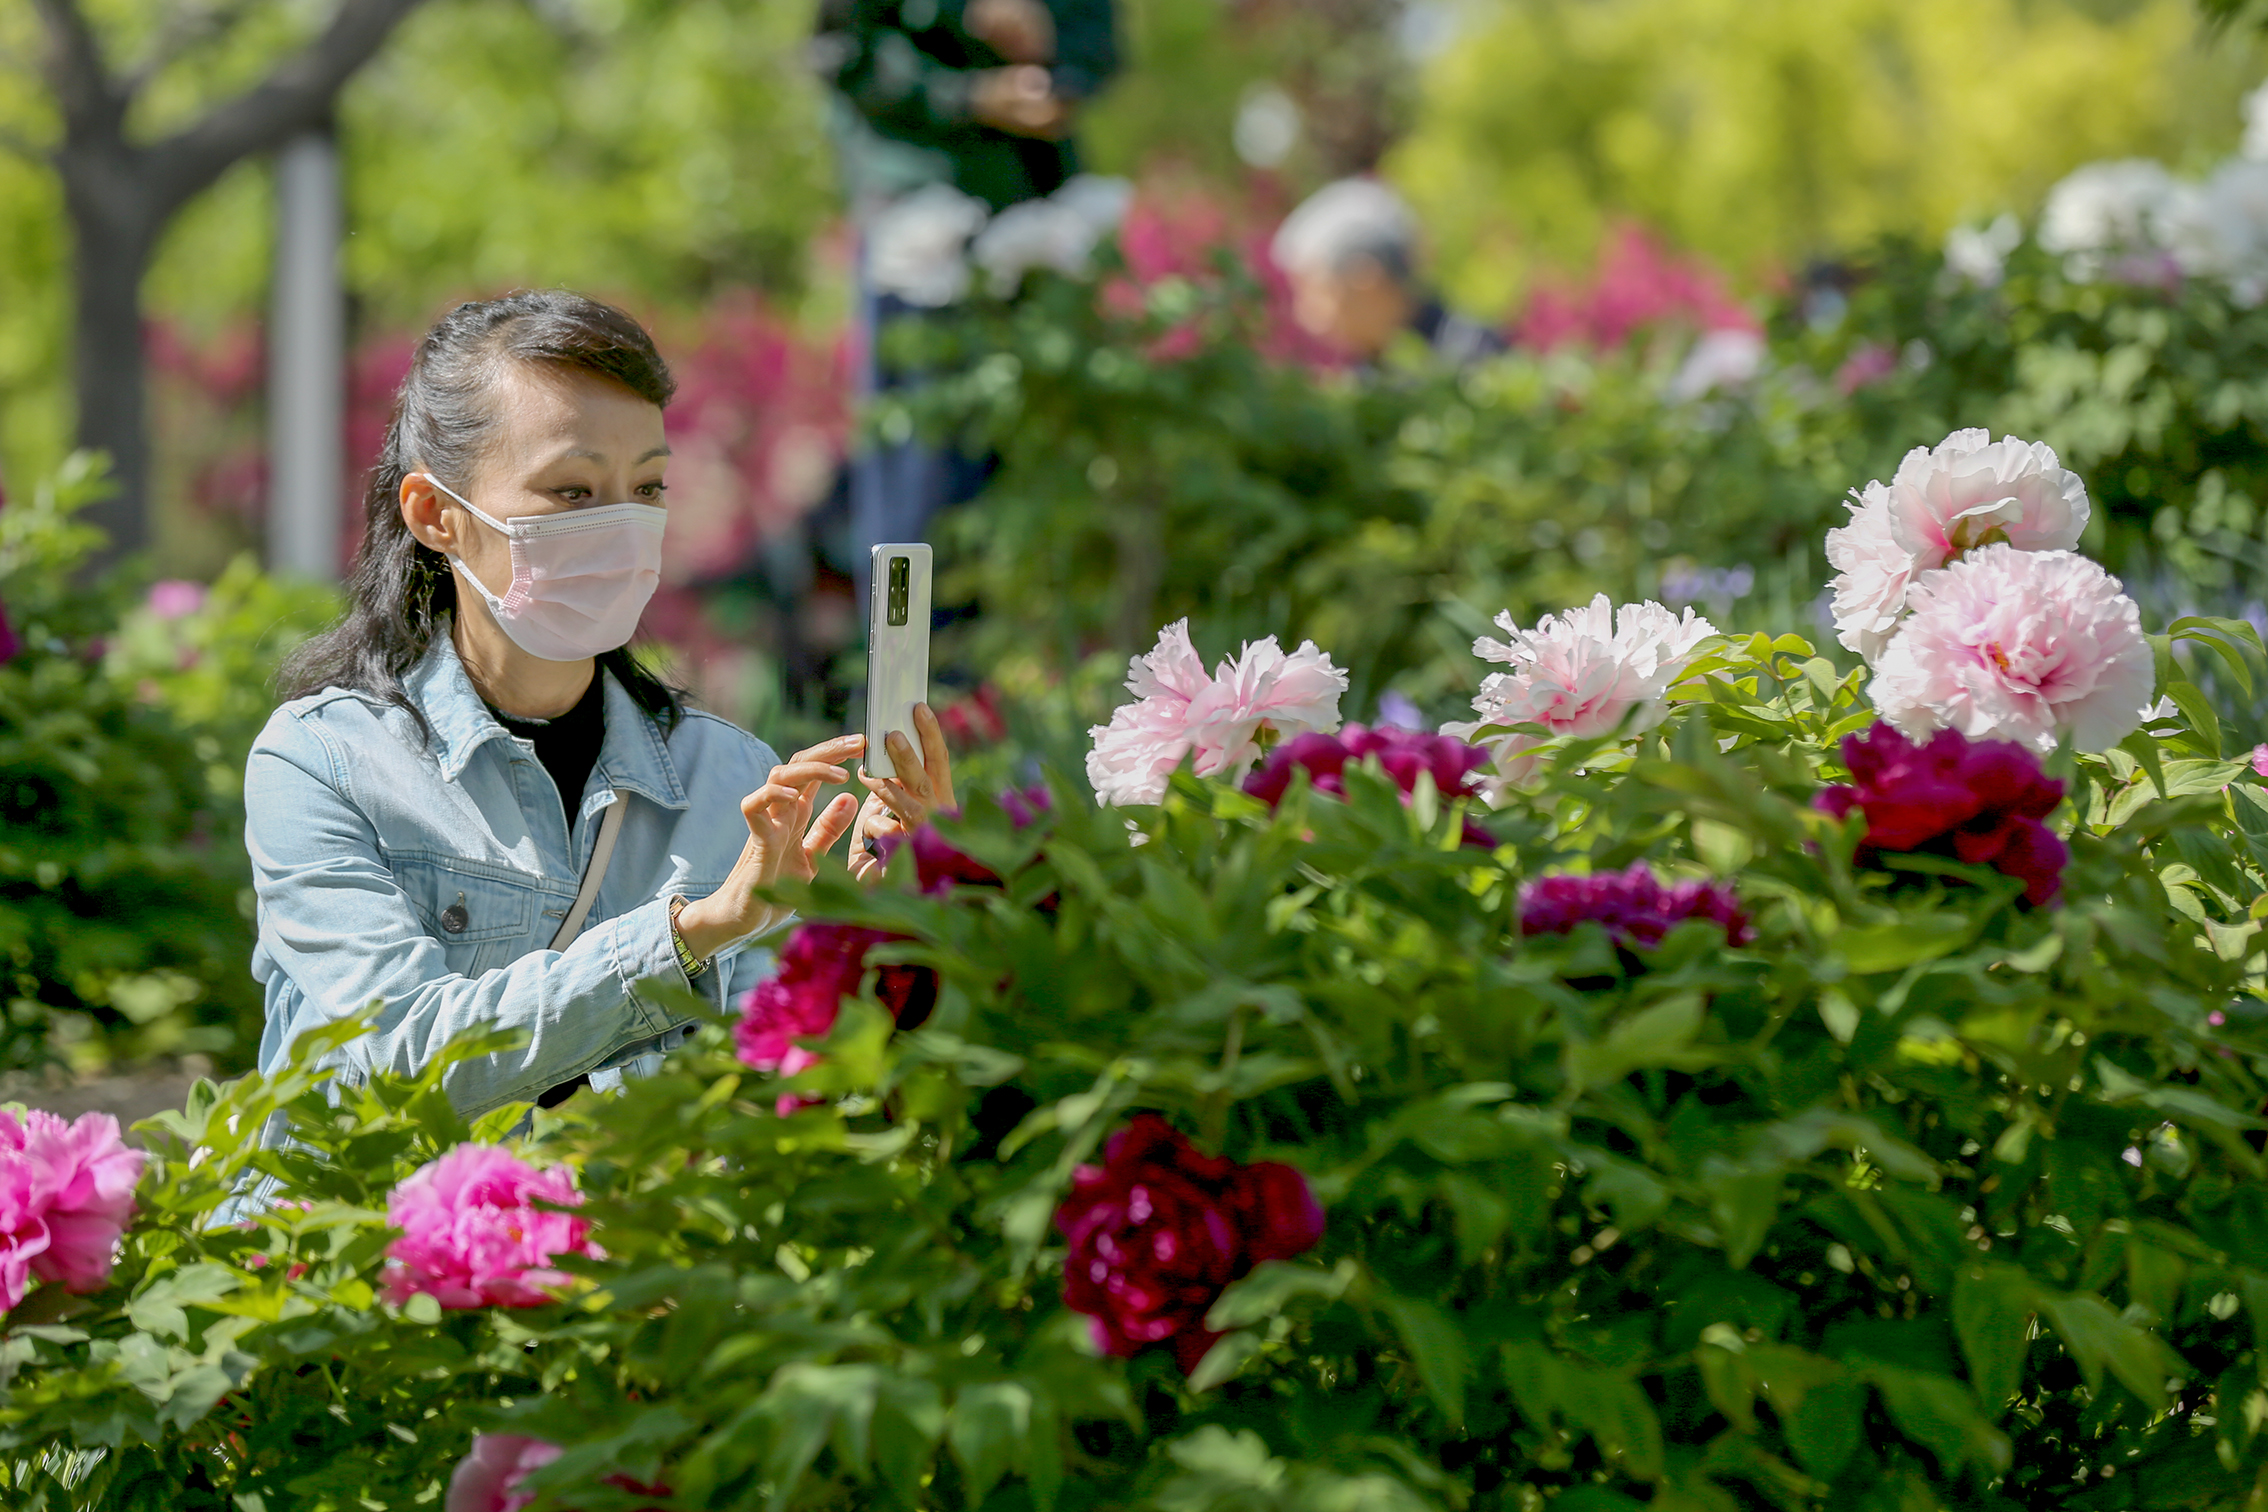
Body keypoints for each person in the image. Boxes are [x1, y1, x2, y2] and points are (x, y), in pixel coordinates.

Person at [254, 292, 954, 1116]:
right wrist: (692, 932)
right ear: (437, 515)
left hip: (630, 1243)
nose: (623, 526)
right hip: (370, 1242)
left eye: (648, 487)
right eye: (573, 492)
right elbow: (401, 1062)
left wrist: (901, 910)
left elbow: (782, 1096)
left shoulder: (735, 779)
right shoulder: (323, 762)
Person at [811, 0, 1120, 606]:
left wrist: (1051, 49)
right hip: (923, 230)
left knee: (1045, 487)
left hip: (1039, 219)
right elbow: (846, 52)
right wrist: (968, 91)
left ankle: (1014, 690)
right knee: (918, 490)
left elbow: (1099, 43)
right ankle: (906, 687)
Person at [1270, 177, 1507, 370]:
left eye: (1317, 293)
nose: (1308, 317)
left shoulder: (1473, 354)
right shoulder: (1368, 376)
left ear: (1364, 277)